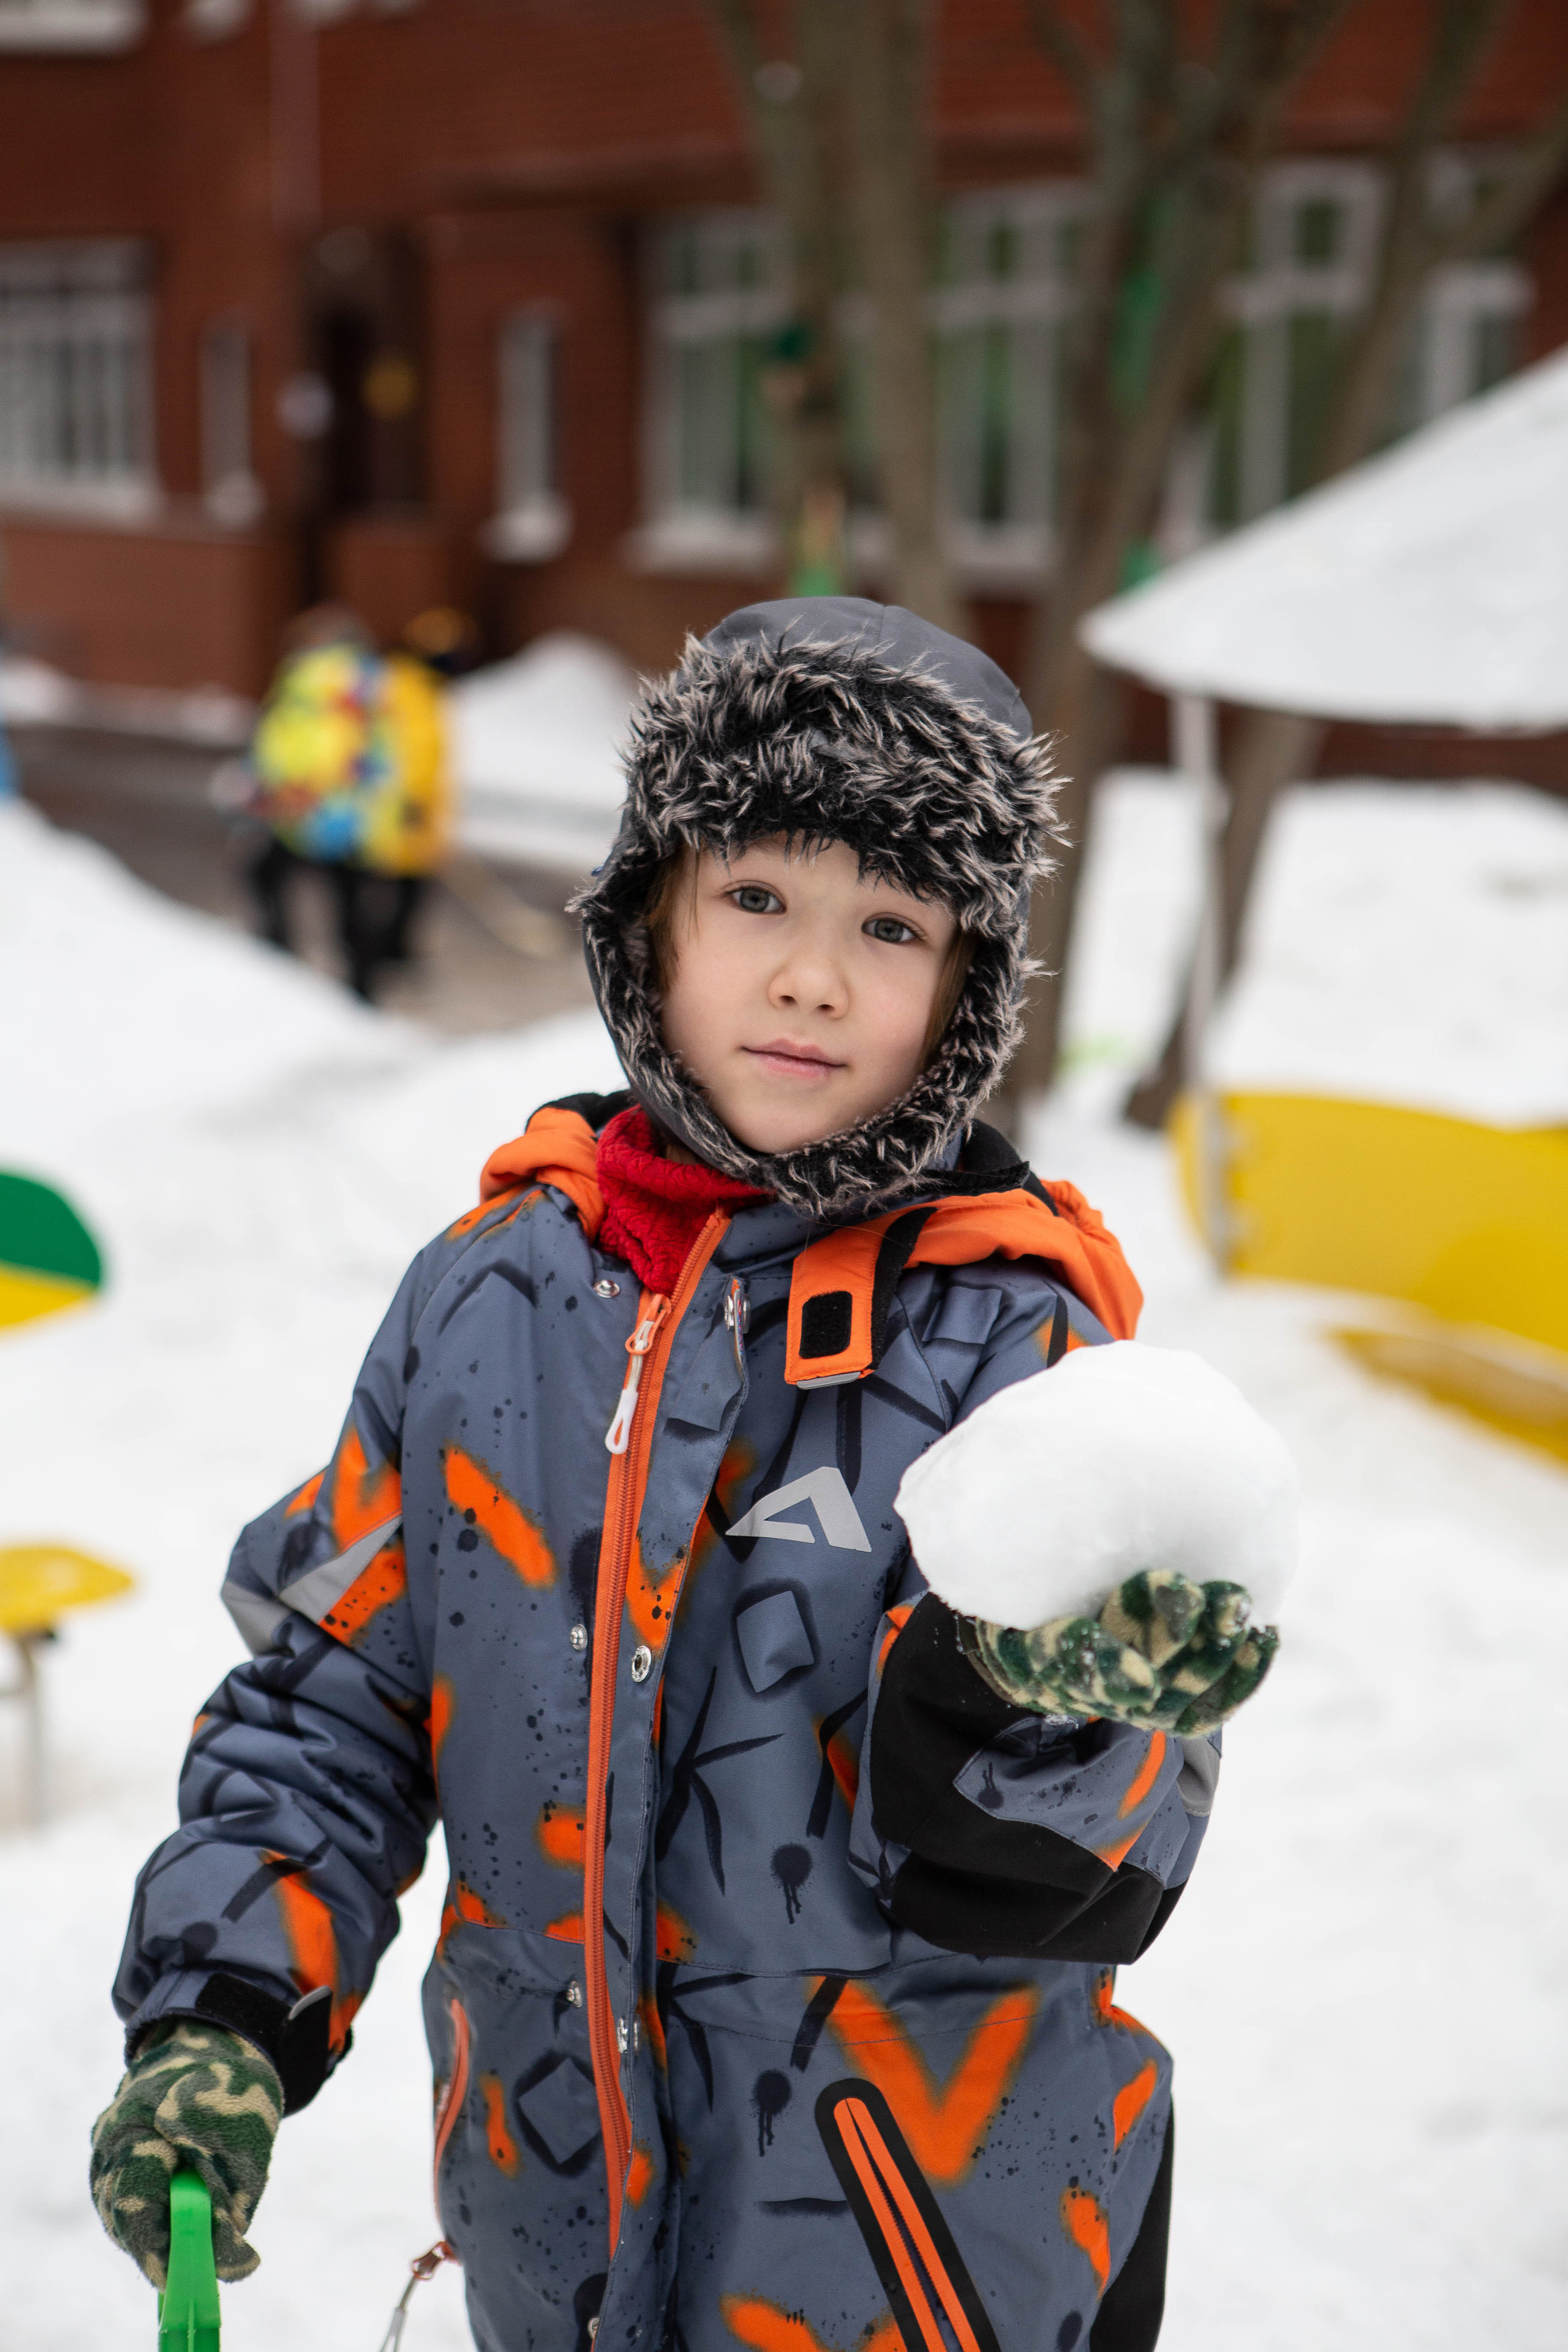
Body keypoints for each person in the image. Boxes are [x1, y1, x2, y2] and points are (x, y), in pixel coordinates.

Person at [91, 599, 1279, 2352]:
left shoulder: (1012, 1349)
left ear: (964, 988)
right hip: (554, 2231)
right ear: (651, 910)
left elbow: (1098, 1861)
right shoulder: (488, 1298)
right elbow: (332, 1695)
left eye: (892, 922)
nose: (814, 975)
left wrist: (1033, 1699)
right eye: (758, 897)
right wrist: (223, 2010)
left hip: (911, 2265)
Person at [243, 605, 452, 1001]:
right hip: (354, 815)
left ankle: (282, 961)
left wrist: (279, 786)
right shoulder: (378, 679)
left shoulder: (309, 678)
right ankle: (362, 990)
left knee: (269, 876)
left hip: (308, 808)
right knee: (350, 905)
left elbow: (283, 739)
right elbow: (401, 748)